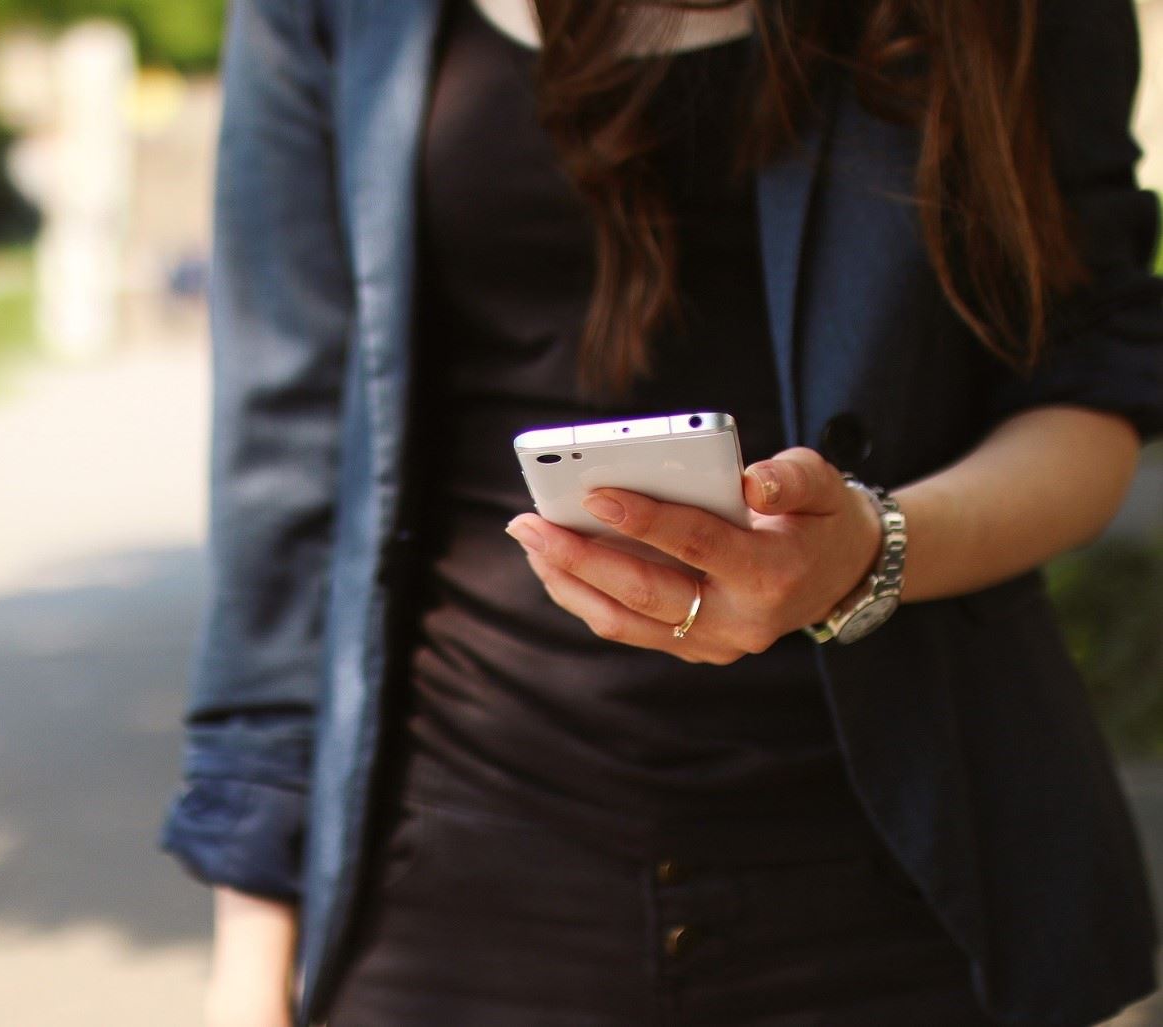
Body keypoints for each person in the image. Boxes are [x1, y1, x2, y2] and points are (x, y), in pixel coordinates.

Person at [160, 0, 1163, 1023]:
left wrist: (871, 552)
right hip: (450, 886)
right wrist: (251, 954)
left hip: (916, 885)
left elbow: (1092, 386)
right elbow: (287, 473)